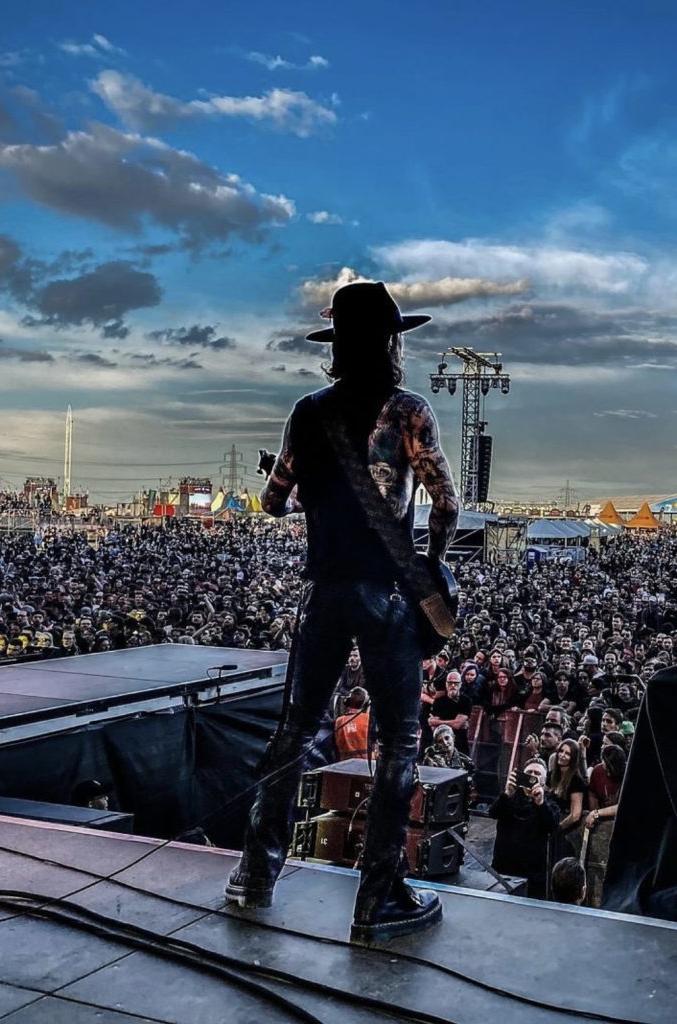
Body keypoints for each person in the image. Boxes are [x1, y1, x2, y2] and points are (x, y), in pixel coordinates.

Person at [225, 281, 459, 943]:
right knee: (399, 746)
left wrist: (322, 505)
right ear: (390, 343)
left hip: (322, 592)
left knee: (292, 735)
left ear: (337, 345)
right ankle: (376, 900)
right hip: (386, 592)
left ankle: (254, 877)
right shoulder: (409, 411)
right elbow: (446, 505)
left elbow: (274, 502)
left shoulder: (306, 413)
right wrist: (432, 564)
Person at [489, 758, 561, 899]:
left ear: (544, 780)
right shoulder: (510, 796)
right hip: (503, 869)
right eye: (529, 772)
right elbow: (493, 813)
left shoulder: (550, 801)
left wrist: (540, 804)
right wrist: (506, 794)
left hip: (532, 875)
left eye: (537, 773)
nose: (533, 776)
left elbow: (551, 826)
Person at [583, 744, 626, 907]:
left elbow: (622, 805)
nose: (605, 769)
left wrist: (597, 814)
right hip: (601, 825)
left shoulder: (627, 775)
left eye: (609, 767)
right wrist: (595, 811)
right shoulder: (598, 771)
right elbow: (593, 793)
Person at [335, 686, 372, 760]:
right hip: (367, 764)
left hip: (344, 763)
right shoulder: (369, 719)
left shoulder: (339, 721)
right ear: (365, 703)